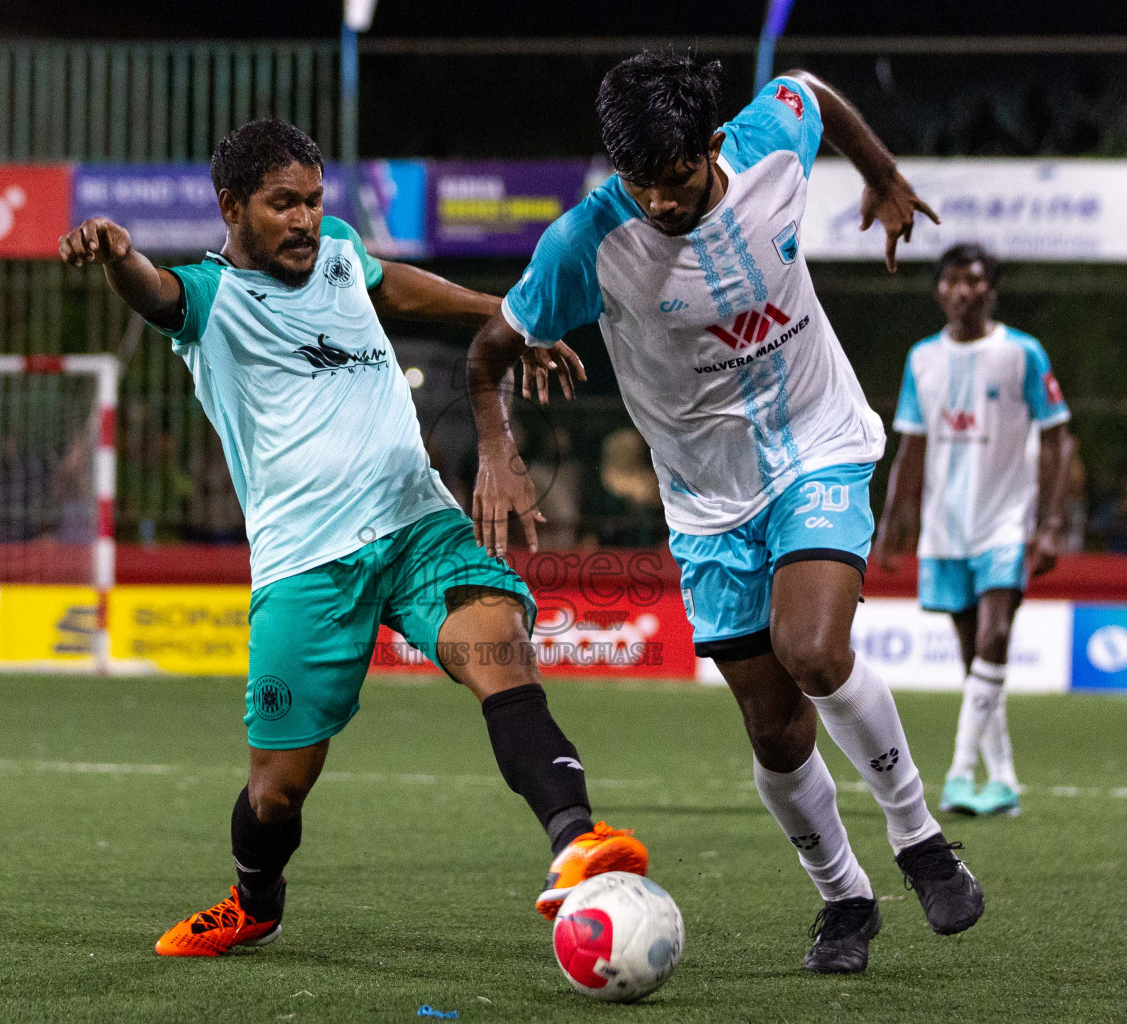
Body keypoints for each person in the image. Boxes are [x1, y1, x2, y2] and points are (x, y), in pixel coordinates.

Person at [58, 119, 645, 957]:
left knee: (503, 657)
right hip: (308, 565)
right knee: (277, 791)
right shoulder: (209, 300)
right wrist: (118, 253)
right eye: (280, 204)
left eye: (313, 200)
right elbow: (154, 292)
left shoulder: (334, 246)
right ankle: (253, 901)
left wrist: (507, 316)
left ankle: (576, 841)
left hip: (416, 524)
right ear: (232, 207)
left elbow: (388, 283)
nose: (304, 219)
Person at [469, 52, 982, 975]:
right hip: (707, 499)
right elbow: (488, 351)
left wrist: (884, 175)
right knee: (775, 729)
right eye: (639, 185)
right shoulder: (583, 243)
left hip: (817, 443)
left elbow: (813, 87)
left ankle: (921, 840)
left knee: (816, 650)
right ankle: (843, 900)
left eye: (674, 182)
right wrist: (499, 452)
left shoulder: (770, 143)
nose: (659, 204)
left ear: (712, 147)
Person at [876, 243, 1074, 820]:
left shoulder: (1022, 353)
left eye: (975, 281)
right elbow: (911, 444)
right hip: (946, 527)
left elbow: (1059, 436)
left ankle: (960, 774)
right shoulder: (922, 359)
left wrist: (1052, 523)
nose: (964, 291)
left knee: (993, 640)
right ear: (939, 290)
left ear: (992, 290)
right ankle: (1005, 779)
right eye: (954, 281)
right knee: (974, 662)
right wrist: (892, 522)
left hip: (1006, 522)